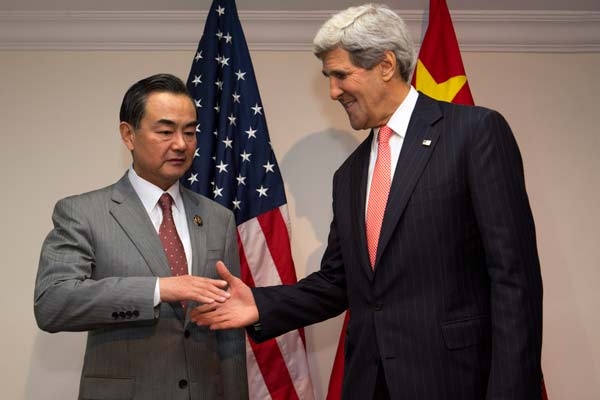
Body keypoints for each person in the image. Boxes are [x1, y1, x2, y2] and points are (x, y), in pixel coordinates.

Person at [191, 4, 543, 400]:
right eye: (329, 78)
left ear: (386, 65)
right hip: (369, 384)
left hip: (456, 382)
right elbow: (339, 282)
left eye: (341, 75)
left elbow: (514, 279)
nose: (333, 91)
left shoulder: (473, 133)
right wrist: (259, 303)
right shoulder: (351, 174)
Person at [34, 73, 248, 400]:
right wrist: (159, 289)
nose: (181, 144)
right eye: (165, 131)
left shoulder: (219, 218)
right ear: (128, 134)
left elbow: (228, 328)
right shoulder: (83, 212)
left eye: (189, 132)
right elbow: (52, 303)